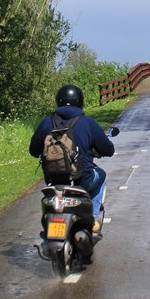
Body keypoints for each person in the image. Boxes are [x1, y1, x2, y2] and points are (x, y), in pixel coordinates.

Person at [29, 84, 115, 231]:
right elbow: (108, 149)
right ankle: (92, 220)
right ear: (80, 101)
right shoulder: (88, 122)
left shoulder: (47, 121)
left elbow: (33, 150)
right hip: (81, 179)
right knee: (101, 175)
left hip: (53, 181)